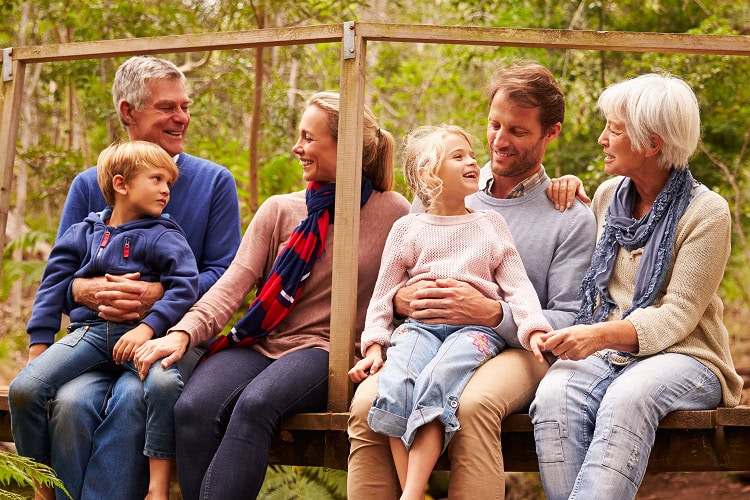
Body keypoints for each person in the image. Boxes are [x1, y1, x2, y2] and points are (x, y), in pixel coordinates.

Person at [132, 91, 410, 500]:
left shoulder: (394, 213)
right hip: (263, 342)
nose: (298, 148)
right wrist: (183, 333)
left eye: (308, 138)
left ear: (346, 146)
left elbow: (423, 268)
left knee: (255, 404)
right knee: (192, 408)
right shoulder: (280, 209)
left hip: (329, 351)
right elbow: (232, 284)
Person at [347, 61, 598, 499]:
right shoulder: (444, 189)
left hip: (515, 346)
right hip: (425, 336)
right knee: (368, 404)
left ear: (550, 133)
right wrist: (407, 301)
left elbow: (573, 317)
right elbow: (400, 274)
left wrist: (492, 313)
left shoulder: (569, 216)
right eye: (494, 125)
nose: (499, 142)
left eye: (518, 131)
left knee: (474, 404)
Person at [529, 73, 744, 500]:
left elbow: (679, 314)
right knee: (554, 394)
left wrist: (600, 334)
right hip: (611, 350)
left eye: (614, 129)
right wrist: (560, 185)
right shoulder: (608, 196)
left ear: (652, 143)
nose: (602, 139)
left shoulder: (708, 212)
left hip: (688, 355)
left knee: (629, 397)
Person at [44, 56, 241, 500]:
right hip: (97, 340)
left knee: (134, 400)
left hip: (173, 341)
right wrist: (87, 291)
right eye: (167, 107)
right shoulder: (87, 185)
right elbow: (60, 277)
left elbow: (227, 276)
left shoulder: (214, 183)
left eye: (185, 107)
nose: (182, 118)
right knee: (70, 405)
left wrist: (156, 297)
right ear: (127, 112)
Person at [350, 124, 552, 499]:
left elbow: (517, 286)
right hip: (418, 331)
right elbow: (383, 295)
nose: (473, 160)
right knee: (396, 386)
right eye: (458, 156)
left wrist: (533, 328)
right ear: (429, 175)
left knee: (438, 382)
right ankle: (414, 490)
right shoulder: (406, 228)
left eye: (471, 154)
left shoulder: (490, 224)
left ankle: (410, 494)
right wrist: (375, 346)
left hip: (473, 334)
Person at [10, 141, 199, 500]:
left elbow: (185, 287)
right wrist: (39, 348)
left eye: (169, 184)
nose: (165, 190)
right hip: (89, 334)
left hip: (143, 340)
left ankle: (157, 488)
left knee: (162, 385)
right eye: (157, 179)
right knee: (24, 389)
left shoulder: (165, 234)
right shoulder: (84, 232)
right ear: (121, 184)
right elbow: (52, 286)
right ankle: (42, 486)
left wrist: (148, 327)